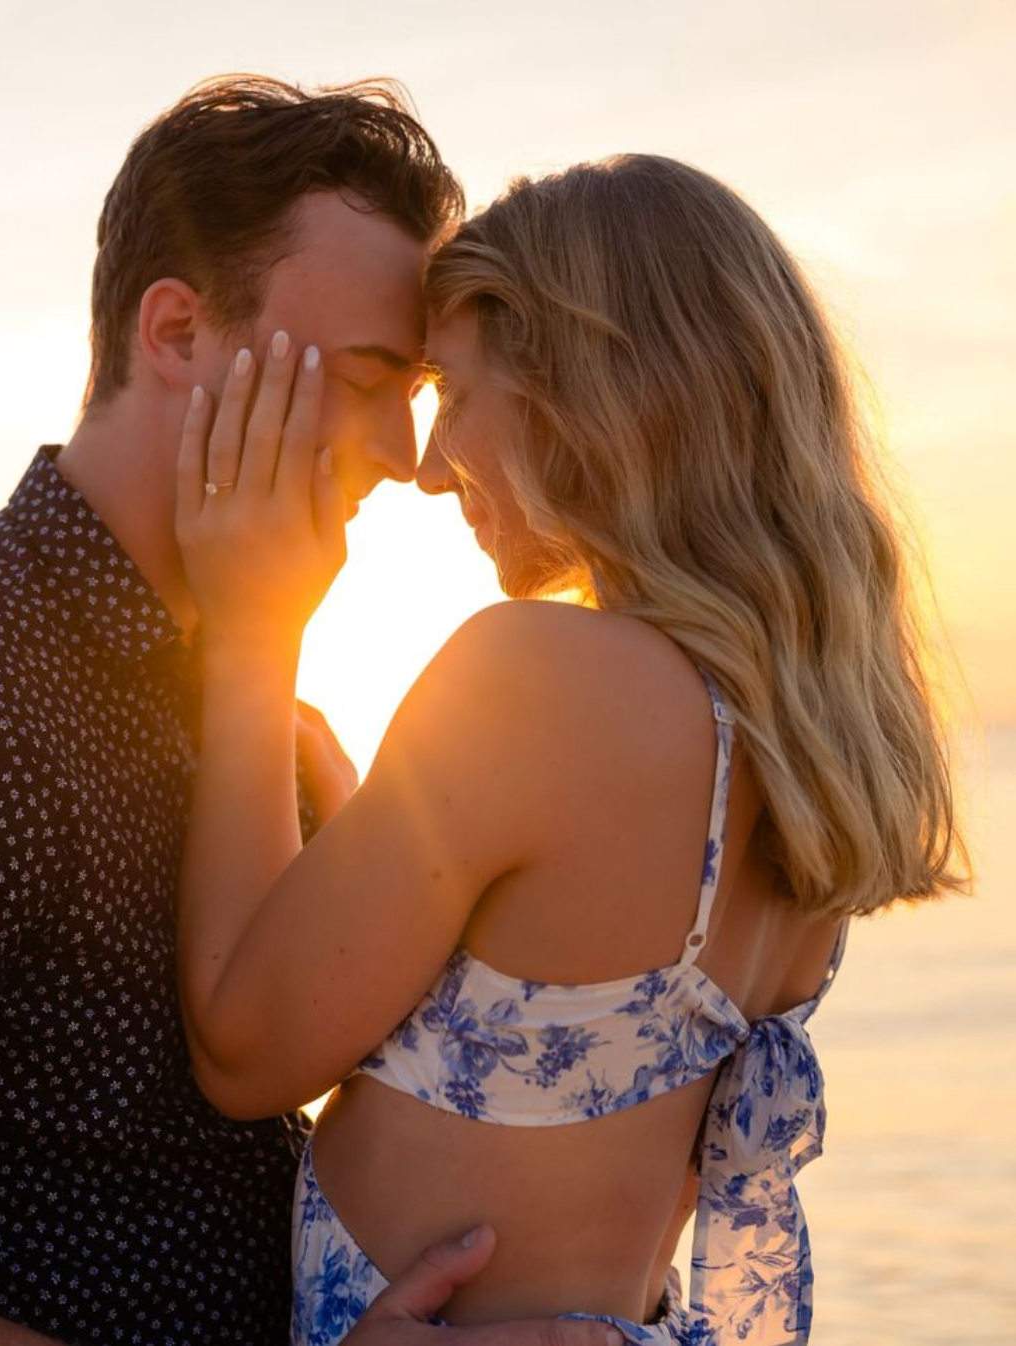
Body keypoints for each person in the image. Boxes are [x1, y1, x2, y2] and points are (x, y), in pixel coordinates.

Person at [0, 76, 630, 1346]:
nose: (406, 459)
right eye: (368, 378)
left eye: (418, 391)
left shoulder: (251, 695)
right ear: (180, 333)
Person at [171, 154, 968, 1345]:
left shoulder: (540, 678)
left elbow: (242, 1048)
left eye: (454, 390)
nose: (432, 467)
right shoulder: (805, 746)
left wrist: (250, 634)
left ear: (591, 398)